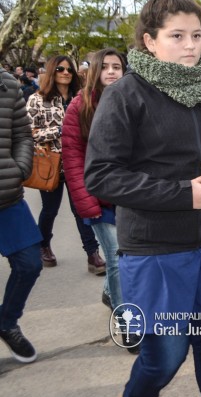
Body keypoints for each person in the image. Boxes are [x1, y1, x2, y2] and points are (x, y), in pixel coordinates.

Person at [85, 0, 201, 397]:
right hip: (157, 252)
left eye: (197, 35)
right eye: (177, 35)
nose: (190, 45)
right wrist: (185, 193)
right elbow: (102, 175)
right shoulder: (125, 96)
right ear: (149, 41)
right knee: (165, 357)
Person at [62, 48, 130, 318]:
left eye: (117, 66)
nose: (111, 71)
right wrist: (87, 202)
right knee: (115, 259)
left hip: (127, 195)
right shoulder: (80, 106)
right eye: (105, 66)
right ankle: (127, 321)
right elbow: (73, 159)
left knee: (125, 257)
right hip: (98, 198)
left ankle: (110, 292)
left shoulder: (132, 100)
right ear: (94, 71)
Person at [25, 55, 104, 273]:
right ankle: (43, 245)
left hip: (78, 161)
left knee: (81, 209)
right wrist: (59, 130)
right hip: (51, 163)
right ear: (52, 71)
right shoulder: (37, 99)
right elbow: (29, 133)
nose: (66, 72)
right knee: (50, 209)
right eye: (60, 68)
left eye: (69, 69)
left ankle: (92, 254)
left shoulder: (80, 98)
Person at [0, 65, 42, 364]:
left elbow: (23, 136)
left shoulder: (8, 85)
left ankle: (7, 322)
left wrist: (20, 170)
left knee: (29, 263)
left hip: (8, 197)